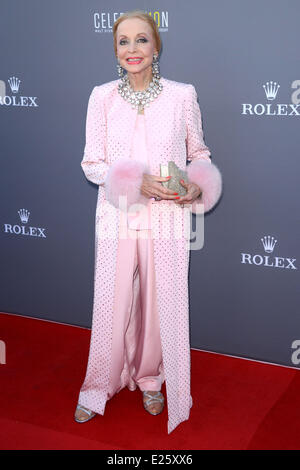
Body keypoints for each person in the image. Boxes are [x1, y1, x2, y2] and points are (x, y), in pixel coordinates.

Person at [74, 9, 222, 434]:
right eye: (123, 41)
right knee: (112, 302)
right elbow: (92, 164)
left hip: (168, 217)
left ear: (156, 47)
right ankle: (98, 385)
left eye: (142, 40)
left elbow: (200, 154)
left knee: (161, 303)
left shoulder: (181, 95)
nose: (132, 49)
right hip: (117, 216)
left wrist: (196, 184)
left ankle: (151, 379)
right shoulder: (101, 97)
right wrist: (135, 181)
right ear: (114, 50)